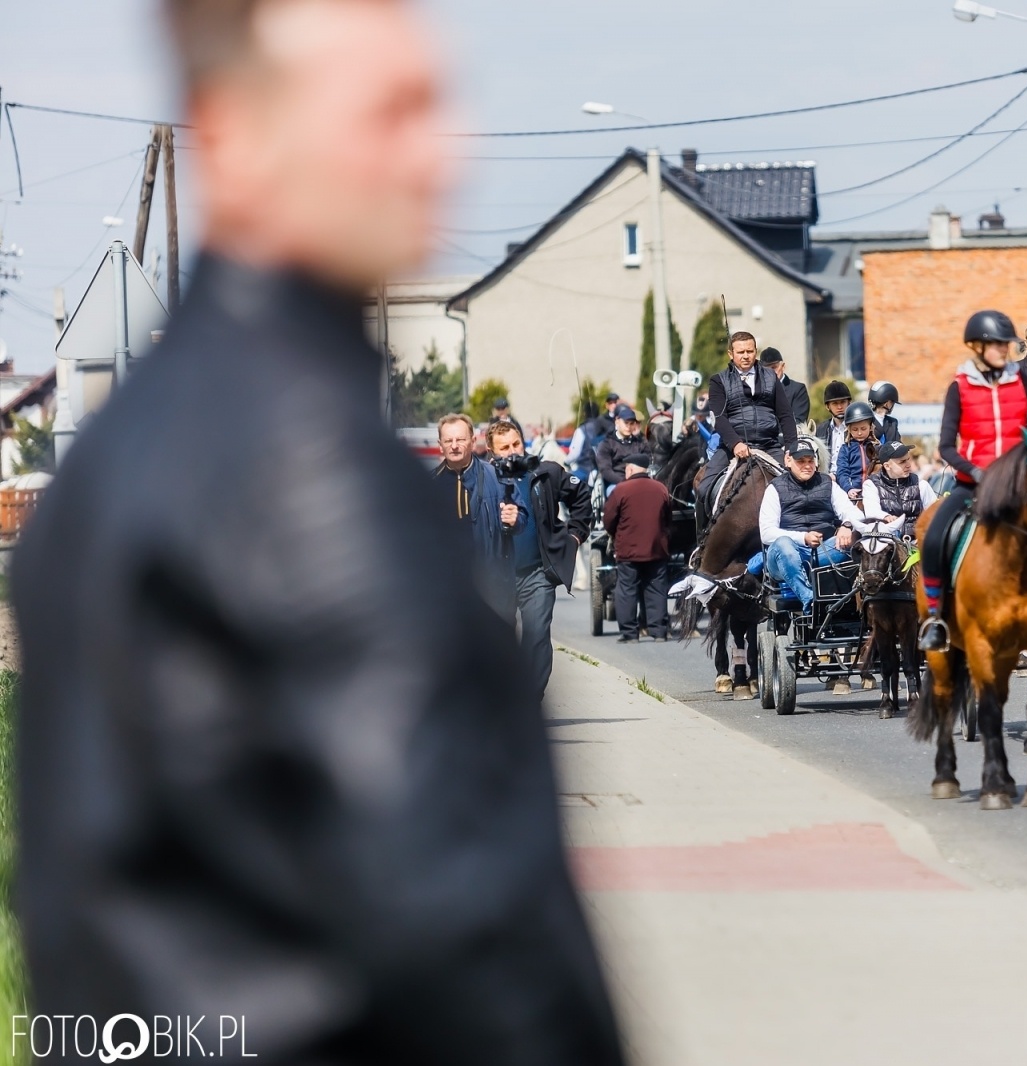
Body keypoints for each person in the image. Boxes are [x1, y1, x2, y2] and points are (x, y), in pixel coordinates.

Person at [11, 0, 623, 1059]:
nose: (437, 153)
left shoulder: (120, 455)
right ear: (240, 136)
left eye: (435, 106)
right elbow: (464, 919)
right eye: (388, 113)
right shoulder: (310, 463)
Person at [917, 309, 1027, 651]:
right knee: (934, 536)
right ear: (978, 346)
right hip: (973, 483)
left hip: (1018, 481)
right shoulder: (959, 387)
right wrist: (977, 471)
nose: (1005, 350)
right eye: (998, 345)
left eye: (1008, 345)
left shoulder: (1021, 378)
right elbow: (947, 447)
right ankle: (936, 617)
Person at [488, 421, 593, 703]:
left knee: (536, 635)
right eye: (504, 448)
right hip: (497, 575)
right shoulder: (485, 478)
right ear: (491, 451)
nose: (512, 452)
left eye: (516, 444)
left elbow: (581, 495)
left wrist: (575, 537)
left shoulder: (545, 472)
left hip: (537, 573)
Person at [696, 330, 797, 522]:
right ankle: (703, 544)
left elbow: (785, 414)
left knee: (802, 481)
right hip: (731, 448)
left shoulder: (771, 376)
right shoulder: (719, 380)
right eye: (740, 352)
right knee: (703, 488)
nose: (745, 356)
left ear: (755, 351)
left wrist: (791, 448)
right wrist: (735, 444)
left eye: (749, 351)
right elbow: (719, 418)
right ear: (730, 354)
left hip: (769, 445)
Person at [759, 438, 869, 612]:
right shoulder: (774, 488)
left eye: (810, 461)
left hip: (822, 552)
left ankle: (867, 600)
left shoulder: (828, 484)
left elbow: (854, 513)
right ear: (788, 461)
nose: (807, 465)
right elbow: (766, 533)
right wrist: (803, 538)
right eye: (800, 461)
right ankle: (810, 600)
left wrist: (847, 525)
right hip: (784, 558)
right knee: (783, 544)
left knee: (860, 538)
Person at [436, 411, 523, 620]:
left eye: (460, 439)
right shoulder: (428, 485)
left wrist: (515, 519)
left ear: (473, 442)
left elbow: (521, 518)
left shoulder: (496, 477)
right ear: (440, 445)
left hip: (493, 585)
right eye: (448, 440)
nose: (454, 445)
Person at [603, 459, 673, 642]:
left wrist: (616, 533)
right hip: (656, 548)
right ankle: (659, 632)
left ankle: (629, 633)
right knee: (657, 589)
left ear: (631, 469)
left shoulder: (621, 490)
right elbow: (668, 518)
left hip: (628, 549)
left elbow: (608, 520)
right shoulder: (661, 488)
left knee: (626, 589)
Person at [862, 439, 936, 535]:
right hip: (886, 541)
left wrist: (923, 537)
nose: (908, 465)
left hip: (915, 542)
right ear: (887, 466)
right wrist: (886, 516)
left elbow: (936, 515)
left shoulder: (921, 485)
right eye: (902, 462)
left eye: (908, 460)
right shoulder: (871, 485)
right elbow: (872, 511)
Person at [595, 402, 652, 493]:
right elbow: (605, 470)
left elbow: (649, 463)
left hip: (640, 482)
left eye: (632, 423)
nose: (629, 427)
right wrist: (625, 482)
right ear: (617, 421)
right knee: (614, 493)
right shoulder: (607, 444)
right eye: (626, 423)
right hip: (616, 483)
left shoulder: (640, 443)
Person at [834, 400, 880, 501]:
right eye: (855, 429)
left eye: (863, 429)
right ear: (849, 429)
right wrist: (848, 488)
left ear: (871, 427)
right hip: (854, 493)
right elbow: (842, 472)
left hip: (874, 493)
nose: (859, 433)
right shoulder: (845, 449)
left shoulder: (877, 447)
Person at [763, 346, 813, 426]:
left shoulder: (797, 389)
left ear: (783, 366)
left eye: (774, 368)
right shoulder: (757, 390)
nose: (771, 372)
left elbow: (798, 421)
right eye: (766, 370)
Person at [567, 399, 608, 480]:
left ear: (584, 413)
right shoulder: (605, 427)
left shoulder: (581, 429)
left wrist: (566, 461)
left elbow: (575, 453)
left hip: (584, 470)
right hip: (603, 470)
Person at [821, 379, 853, 475]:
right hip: (826, 477)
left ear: (849, 403)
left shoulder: (857, 428)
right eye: (835, 403)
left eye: (843, 402)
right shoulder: (821, 430)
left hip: (851, 476)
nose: (839, 407)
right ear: (827, 406)